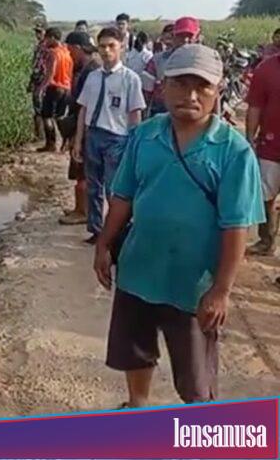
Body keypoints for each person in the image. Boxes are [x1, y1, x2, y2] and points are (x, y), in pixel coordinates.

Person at [94, 44, 264, 408]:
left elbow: (236, 229)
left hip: (193, 284)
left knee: (195, 379)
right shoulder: (145, 136)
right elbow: (122, 196)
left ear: (217, 92)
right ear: (163, 87)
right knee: (134, 350)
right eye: (180, 84)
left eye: (201, 86)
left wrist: (221, 290)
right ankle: (137, 404)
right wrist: (104, 244)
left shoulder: (233, 152)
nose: (190, 95)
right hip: (140, 268)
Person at [72, 27, 145, 244]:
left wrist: (134, 144)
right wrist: (78, 141)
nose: (106, 51)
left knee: (115, 189)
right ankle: (96, 229)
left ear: (121, 47)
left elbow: (135, 113)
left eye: (111, 46)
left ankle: (116, 232)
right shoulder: (93, 77)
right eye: (102, 46)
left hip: (117, 138)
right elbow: (83, 109)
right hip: (93, 136)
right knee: (93, 187)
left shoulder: (130, 79)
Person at [60, 31, 100, 225]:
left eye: (69, 50)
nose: (69, 54)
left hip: (85, 125)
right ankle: (80, 209)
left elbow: (85, 104)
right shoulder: (86, 68)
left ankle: (83, 212)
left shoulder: (91, 71)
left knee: (81, 169)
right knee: (80, 169)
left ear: (77, 48)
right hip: (82, 123)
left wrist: (78, 134)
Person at [245, 45, 280, 257]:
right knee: (265, 196)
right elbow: (255, 106)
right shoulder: (266, 69)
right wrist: (250, 138)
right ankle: (266, 240)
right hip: (271, 146)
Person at [142, 16, 201, 117]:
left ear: (197, 37)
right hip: (161, 112)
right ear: (173, 36)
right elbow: (145, 94)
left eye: (190, 36)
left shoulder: (204, 63)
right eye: (181, 36)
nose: (186, 40)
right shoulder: (157, 61)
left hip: (193, 113)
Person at [37, 27, 74, 152]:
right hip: (66, 87)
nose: (45, 41)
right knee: (59, 116)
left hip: (54, 87)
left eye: (47, 38)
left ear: (52, 37)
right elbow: (70, 72)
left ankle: (51, 143)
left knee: (46, 116)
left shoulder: (53, 53)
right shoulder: (67, 52)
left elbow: (50, 73)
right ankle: (66, 141)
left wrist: (41, 88)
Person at [27, 26, 48, 140]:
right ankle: (40, 135)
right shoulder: (40, 46)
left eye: (40, 32)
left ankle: (41, 136)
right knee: (38, 108)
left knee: (40, 109)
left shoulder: (45, 47)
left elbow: (39, 67)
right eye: (36, 32)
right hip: (39, 79)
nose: (37, 34)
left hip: (41, 80)